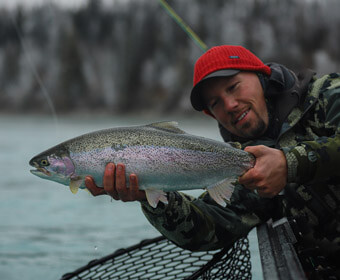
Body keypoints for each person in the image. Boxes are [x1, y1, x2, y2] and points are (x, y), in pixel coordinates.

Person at [85, 45, 340, 276]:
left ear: (263, 77)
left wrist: (289, 163)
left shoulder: (327, 94)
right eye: (215, 102)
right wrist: (150, 196)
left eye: (233, 87)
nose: (229, 104)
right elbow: (208, 227)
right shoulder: (238, 163)